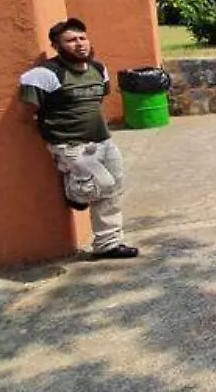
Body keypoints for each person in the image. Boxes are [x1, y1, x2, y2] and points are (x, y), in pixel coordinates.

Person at [19, 18, 138, 260]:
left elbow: (97, 100)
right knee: (101, 184)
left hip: (102, 140)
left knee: (114, 187)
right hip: (70, 146)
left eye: (82, 38)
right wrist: (54, 139)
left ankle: (108, 244)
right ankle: (75, 193)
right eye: (71, 40)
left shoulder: (98, 70)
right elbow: (26, 113)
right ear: (56, 45)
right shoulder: (44, 75)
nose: (79, 44)